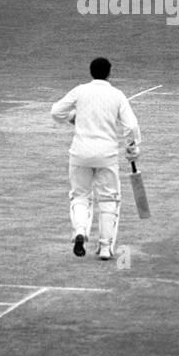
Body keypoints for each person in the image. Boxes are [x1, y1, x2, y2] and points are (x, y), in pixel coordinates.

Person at [50, 57, 142, 261]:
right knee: (109, 198)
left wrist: (71, 118)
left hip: (80, 153)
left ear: (91, 72)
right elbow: (131, 126)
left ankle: (80, 231)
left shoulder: (80, 90)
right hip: (106, 155)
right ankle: (105, 247)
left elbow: (56, 111)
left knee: (80, 196)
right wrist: (133, 148)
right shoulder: (117, 95)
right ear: (110, 73)